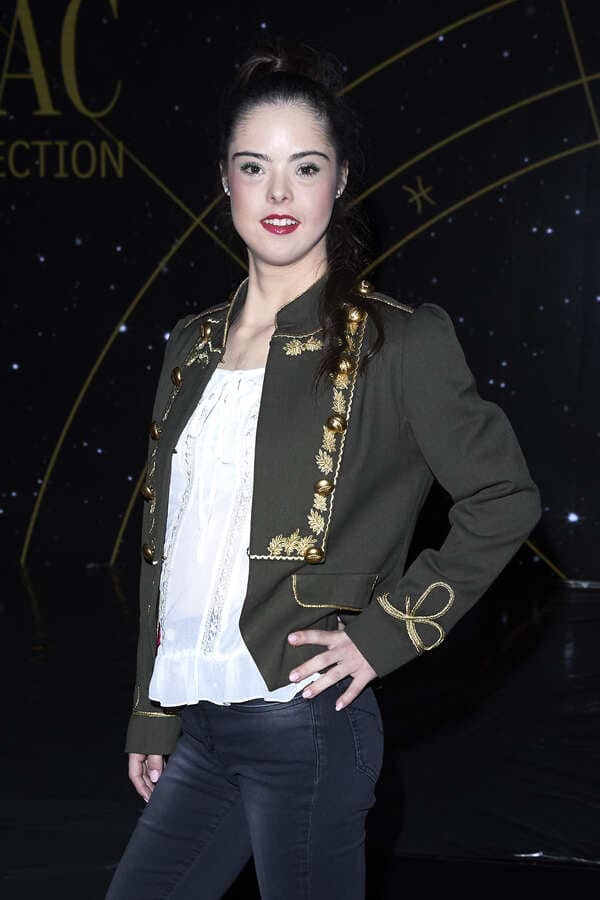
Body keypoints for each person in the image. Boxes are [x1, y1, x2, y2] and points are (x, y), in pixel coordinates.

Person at [105, 38, 541, 900]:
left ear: (339, 180)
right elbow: (170, 541)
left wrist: (385, 635)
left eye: (304, 167)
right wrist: (152, 711)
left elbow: (504, 498)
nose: (278, 194)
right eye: (253, 167)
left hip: (304, 729)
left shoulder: (397, 341)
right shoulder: (191, 345)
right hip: (202, 729)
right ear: (224, 182)